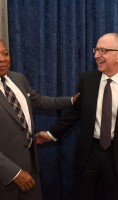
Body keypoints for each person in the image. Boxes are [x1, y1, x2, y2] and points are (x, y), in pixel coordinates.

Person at [35, 33, 118, 200]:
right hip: (89, 152)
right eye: (96, 50)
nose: (96, 56)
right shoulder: (87, 80)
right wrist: (51, 134)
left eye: (103, 51)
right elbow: (75, 113)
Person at [0, 39, 79, 200]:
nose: (2, 59)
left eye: (5, 53)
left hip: (31, 169)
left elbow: (39, 101)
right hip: (5, 177)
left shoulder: (18, 78)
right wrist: (13, 173)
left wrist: (71, 100)